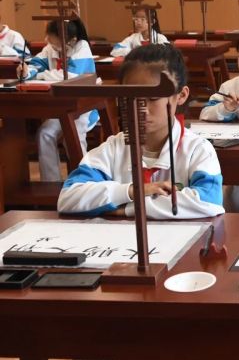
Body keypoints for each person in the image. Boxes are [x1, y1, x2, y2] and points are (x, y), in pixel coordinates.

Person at [58, 43, 224, 218]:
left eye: (153, 98)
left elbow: (209, 201)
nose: (142, 108)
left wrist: (127, 209)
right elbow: (68, 197)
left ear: (181, 95)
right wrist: (132, 191)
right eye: (132, 97)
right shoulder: (113, 148)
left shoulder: (197, 150)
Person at [18, 18, 98, 181]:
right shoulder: (50, 48)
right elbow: (35, 65)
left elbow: (71, 77)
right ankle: (51, 182)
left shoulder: (82, 47)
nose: (49, 43)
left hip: (83, 108)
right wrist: (26, 72)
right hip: (62, 107)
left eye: (53, 41)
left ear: (70, 40)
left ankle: (85, 181)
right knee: (45, 134)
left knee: (72, 138)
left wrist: (42, 75)